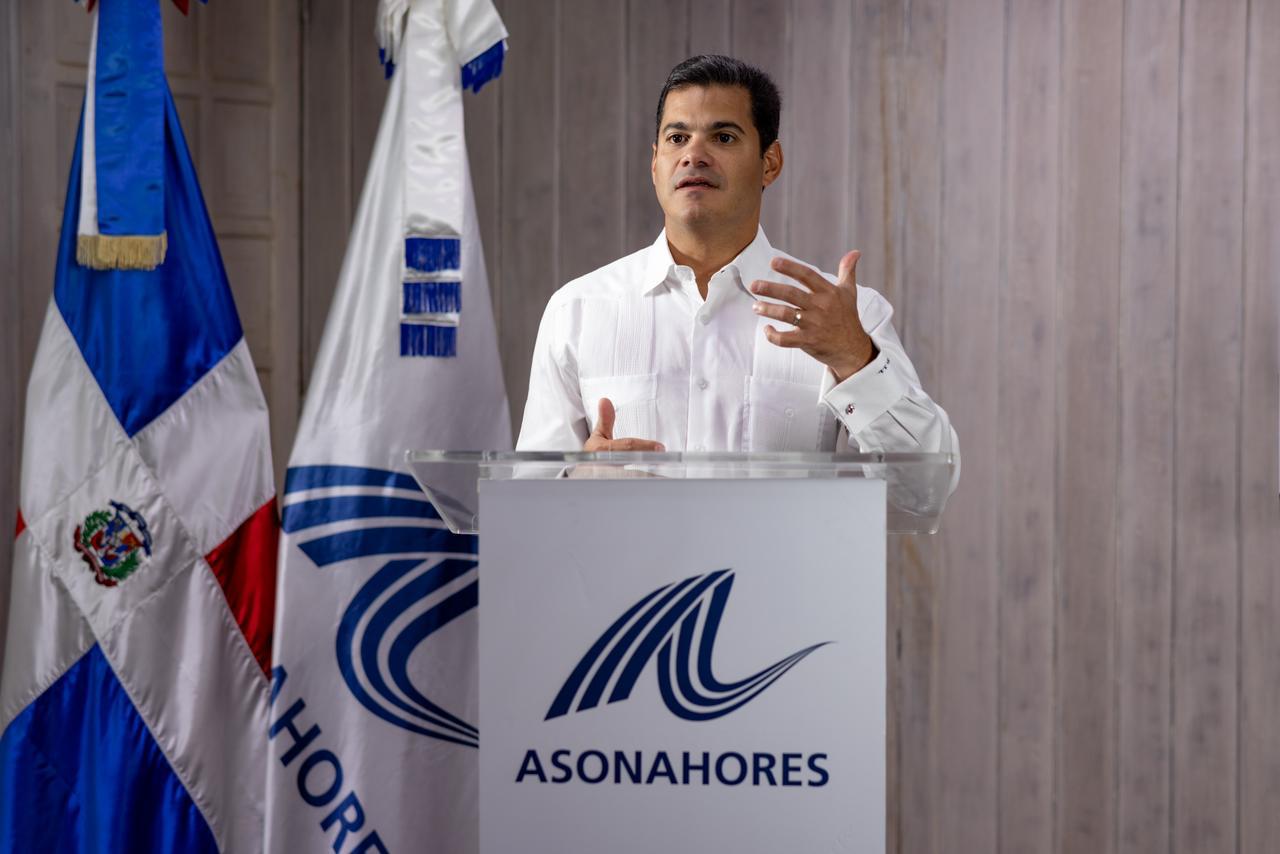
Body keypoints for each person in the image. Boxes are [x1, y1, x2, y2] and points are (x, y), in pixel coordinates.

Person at [516, 54, 958, 481]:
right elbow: (525, 500)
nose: (694, 155)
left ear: (770, 163)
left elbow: (924, 490)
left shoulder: (845, 317)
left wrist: (855, 359)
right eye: (677, 138)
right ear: (655, 164)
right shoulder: (576, 310)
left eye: (723, 137)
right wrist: (577, 480)